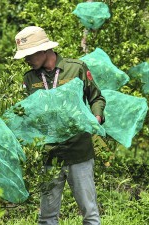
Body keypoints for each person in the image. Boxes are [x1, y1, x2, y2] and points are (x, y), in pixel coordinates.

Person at [14, 26, 106, 225]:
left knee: (89, 214)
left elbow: (96, 98)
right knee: (46, 217)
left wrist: (96, 117)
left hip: (78, 151)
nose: (26, 60)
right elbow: (25, 114)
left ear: (44, 50)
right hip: (50, 155)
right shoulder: (29, 79)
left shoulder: (77, 68)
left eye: (29, 54)